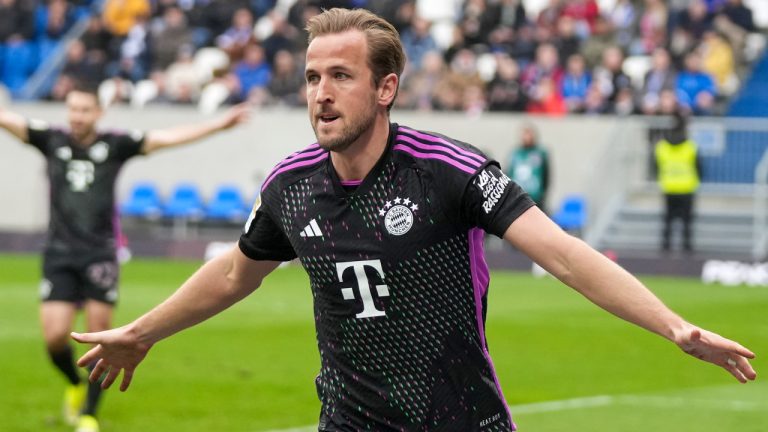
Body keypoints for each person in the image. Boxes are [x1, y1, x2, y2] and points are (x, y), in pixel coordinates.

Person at [71, 8, 756, 432]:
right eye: (312, 78)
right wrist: (143, 333)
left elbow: (564, 254)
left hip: (463, 420)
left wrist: (674, 327)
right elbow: (232, 275)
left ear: (386, 87)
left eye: (340, 76)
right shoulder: (290, 187)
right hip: (348, 422)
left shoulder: (449, 170)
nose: (321, 94)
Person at [0, 85, 250, 432]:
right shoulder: (51, 140)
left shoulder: (115, 145)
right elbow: (6, 119)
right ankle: (75, 383)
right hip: (59, 252)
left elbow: (166, 138)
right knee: (55, 337)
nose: (77, 117)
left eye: (85, 110)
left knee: (101, 335)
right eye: (72, 109)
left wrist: (217, 125)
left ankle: (88, 414)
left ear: (98, 113)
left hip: (100, 253)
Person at [655, 111, 701, 253]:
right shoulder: (691, 147)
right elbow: (699, 167)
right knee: (687, 222)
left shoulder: (661, 147)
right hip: (687, 187)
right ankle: (687, 249)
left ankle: (665, 248)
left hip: (668, 187)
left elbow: (656, 167)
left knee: (668, 220)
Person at [506, 124, 550, 212]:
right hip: (517, 197)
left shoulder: (540, 153)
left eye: (529, 134)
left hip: (535, 197)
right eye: (524, 134)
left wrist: (543, 194)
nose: (526, 137)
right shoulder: (515, 153)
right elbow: (509, 173)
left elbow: (546, 175)